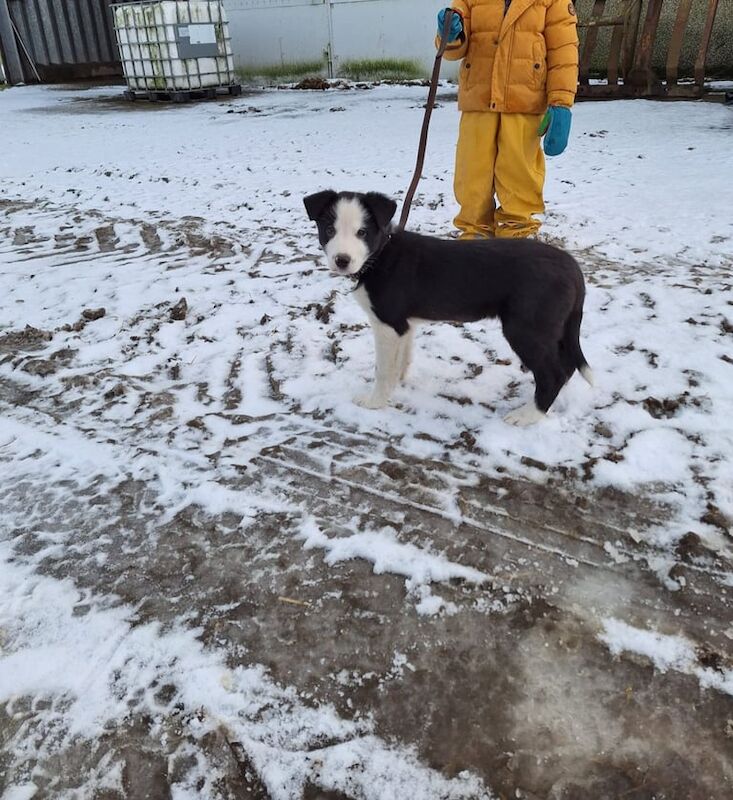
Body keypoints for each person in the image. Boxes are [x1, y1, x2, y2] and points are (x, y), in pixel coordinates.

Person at [436, 1, 579, 239]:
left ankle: (518, 237)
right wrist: (450, 33)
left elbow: (563, 50)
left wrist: (561, 102)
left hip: (524, 100)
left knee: (519, 174)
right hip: (478, 99)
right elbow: (453, 51)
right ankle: (474, 238)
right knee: (472, 175)